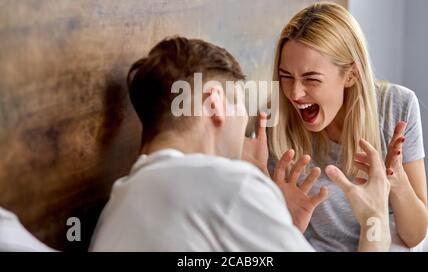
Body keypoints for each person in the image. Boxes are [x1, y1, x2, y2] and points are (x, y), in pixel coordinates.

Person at [89, 36, 391, 251]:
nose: (244, 125)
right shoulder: (230, 184)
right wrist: (375, 217)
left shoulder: (117, 205)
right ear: (215, 104)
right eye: (240, 103)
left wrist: (286, 231)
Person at [265, 2, 428, 251]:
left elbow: (417, 237)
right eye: (286, 76)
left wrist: (397, 184)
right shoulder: (274, 120)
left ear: (351, 75)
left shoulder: (396, 106)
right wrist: (281, 220)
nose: (295, 93)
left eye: (311, 79)